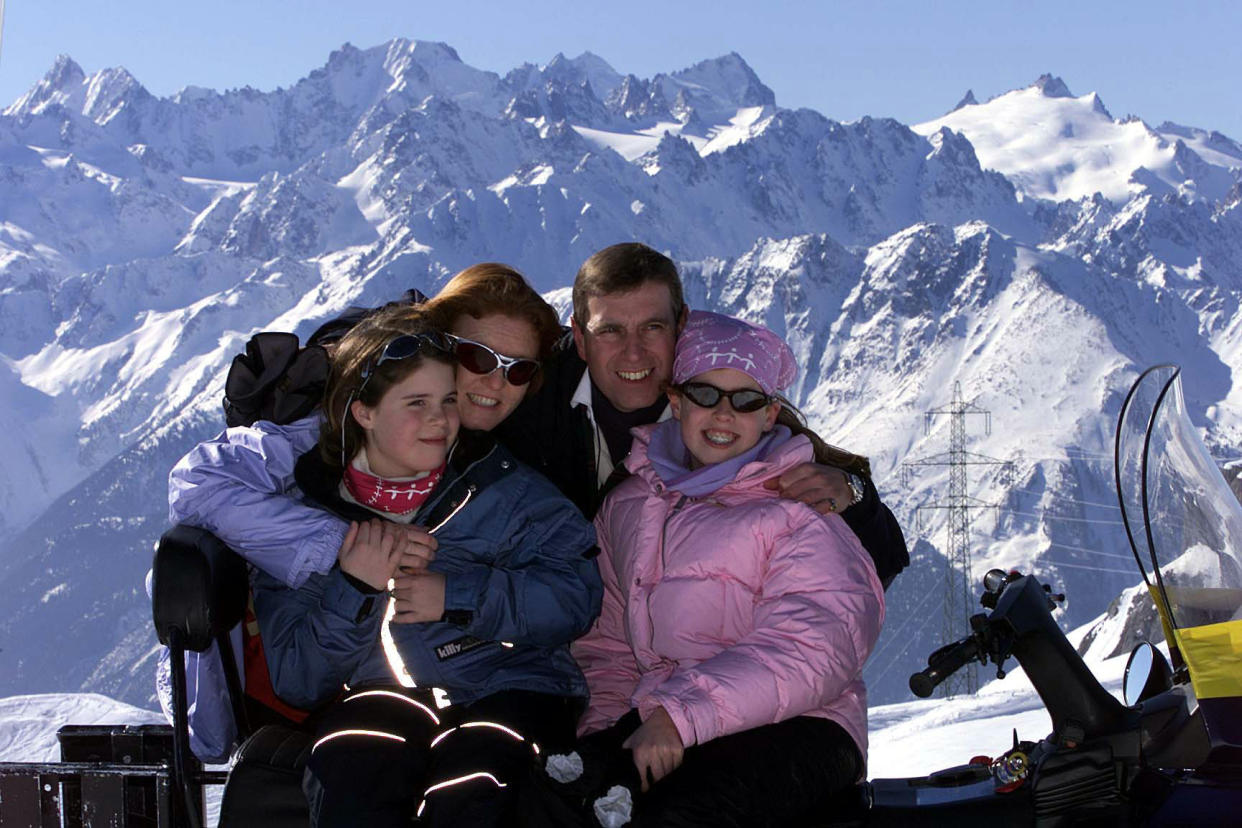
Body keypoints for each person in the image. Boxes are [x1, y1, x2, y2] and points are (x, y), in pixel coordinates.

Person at [159, 264, 600, 816]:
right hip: (381, 693)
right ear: (363, 412)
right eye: (476, 361)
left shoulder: (511, 490)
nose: (446, 415)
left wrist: (456, 595)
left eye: (517, 372)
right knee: (352, 773)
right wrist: (351, 580)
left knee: (477, 787)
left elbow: (576, 594)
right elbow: (298, 677)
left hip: (507, 687)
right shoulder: (309, 508)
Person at [569, 310, 885, 827]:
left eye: (746, 401)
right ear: (676, 401)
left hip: (805, 725)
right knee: (564, 797)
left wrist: (677, 718)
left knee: (682, 815)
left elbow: (814, 648)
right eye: (704, 394)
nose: (723, 414)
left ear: (769, 415)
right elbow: (608, 646)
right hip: (670, 716)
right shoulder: (629, 506)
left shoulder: (798, 508)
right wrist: (608, 735)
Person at [495, 242, 908, 587]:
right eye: (610, 330)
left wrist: (853, 495)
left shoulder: (722, 404)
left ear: (682, 324)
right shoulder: (530, 392)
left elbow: (881, 559)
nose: (633, 351)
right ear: (580, 338)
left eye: (652, 327)